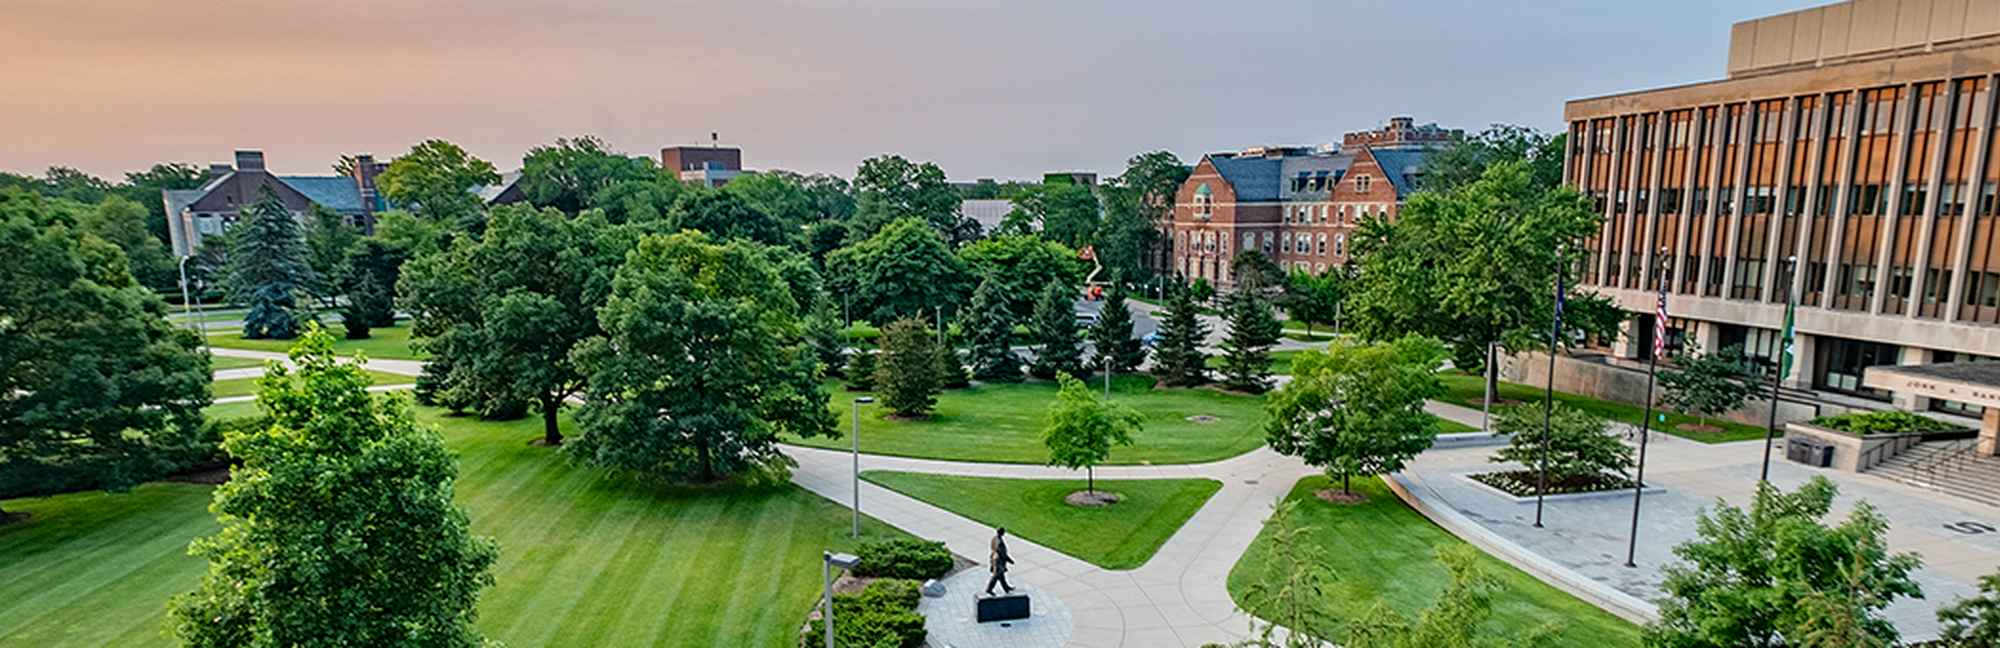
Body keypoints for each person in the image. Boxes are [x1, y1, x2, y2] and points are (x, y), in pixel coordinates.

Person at [984, 526, 1014, 595]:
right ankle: (989, 589)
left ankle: (1006, 588)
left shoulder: (994, 538)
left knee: (1001, 575)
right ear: (1002, 533)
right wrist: (1010, 560)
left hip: (994, 558)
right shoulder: (1000, 542)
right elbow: (1002, 553)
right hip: (998, 561)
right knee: (996, 576)